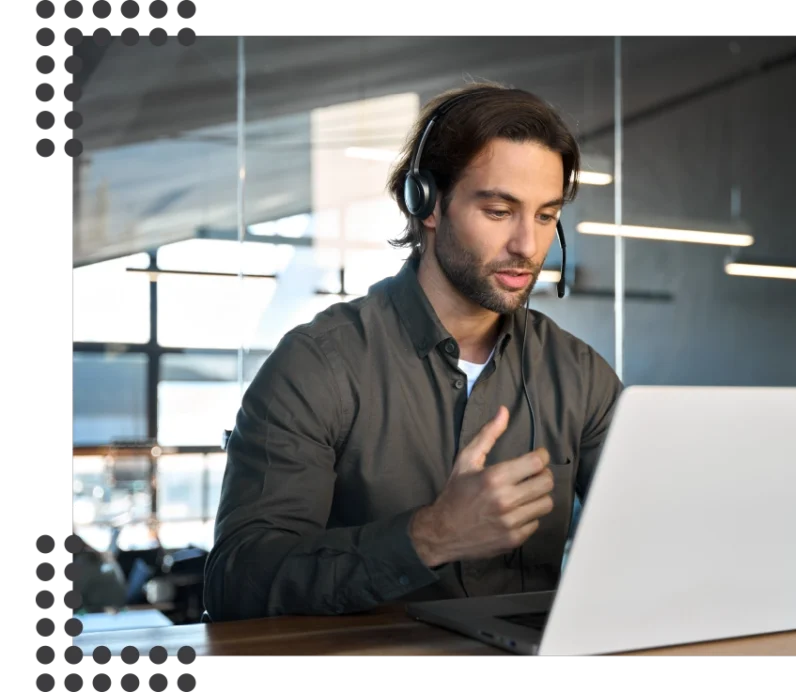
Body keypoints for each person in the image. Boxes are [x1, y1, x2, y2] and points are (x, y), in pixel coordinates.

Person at [203, 82, 623, 621]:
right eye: (499, 211)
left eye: (545, 216)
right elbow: (236, 583)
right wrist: (430, 536)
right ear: (425, 203)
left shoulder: (579, 374)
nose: (528, 245)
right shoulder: (318, 365)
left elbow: (654, 533)